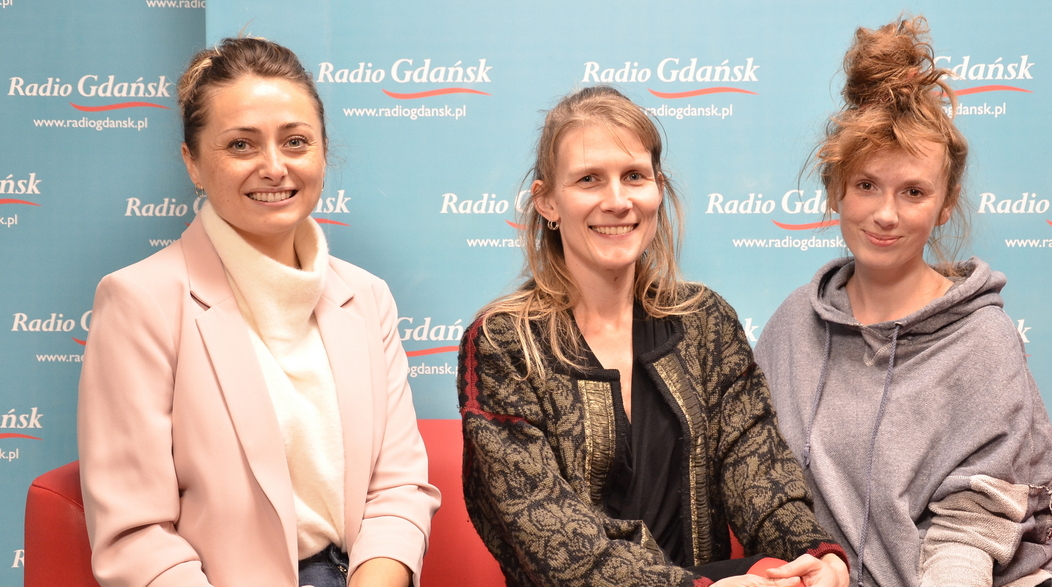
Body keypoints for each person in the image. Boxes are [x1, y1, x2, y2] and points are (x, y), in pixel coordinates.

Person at [77, 37, 440, 587]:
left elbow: (398, 489)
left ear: (322, 151)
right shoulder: (139, 301)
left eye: (295, 141)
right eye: (242, 145)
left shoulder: (368, 297)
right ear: (193, 163)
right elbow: (137, 537)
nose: (275, 167)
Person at [456, 85, 850, 587]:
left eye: (634, 177)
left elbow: (758, 469)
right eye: (588, 180)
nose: (617, 201)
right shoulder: (503, 343)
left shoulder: (705, 320)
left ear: (657, 189)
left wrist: (812, 554)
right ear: (548, 202)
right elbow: (549, 539)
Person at [754, 17, 1052, 587]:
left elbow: (973, 524)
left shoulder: (983, 338)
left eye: (913, 192)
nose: (886, 214)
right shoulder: (791, 326)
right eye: (867, 185)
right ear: (836, 190)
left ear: (945, 203)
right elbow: (760, 477)